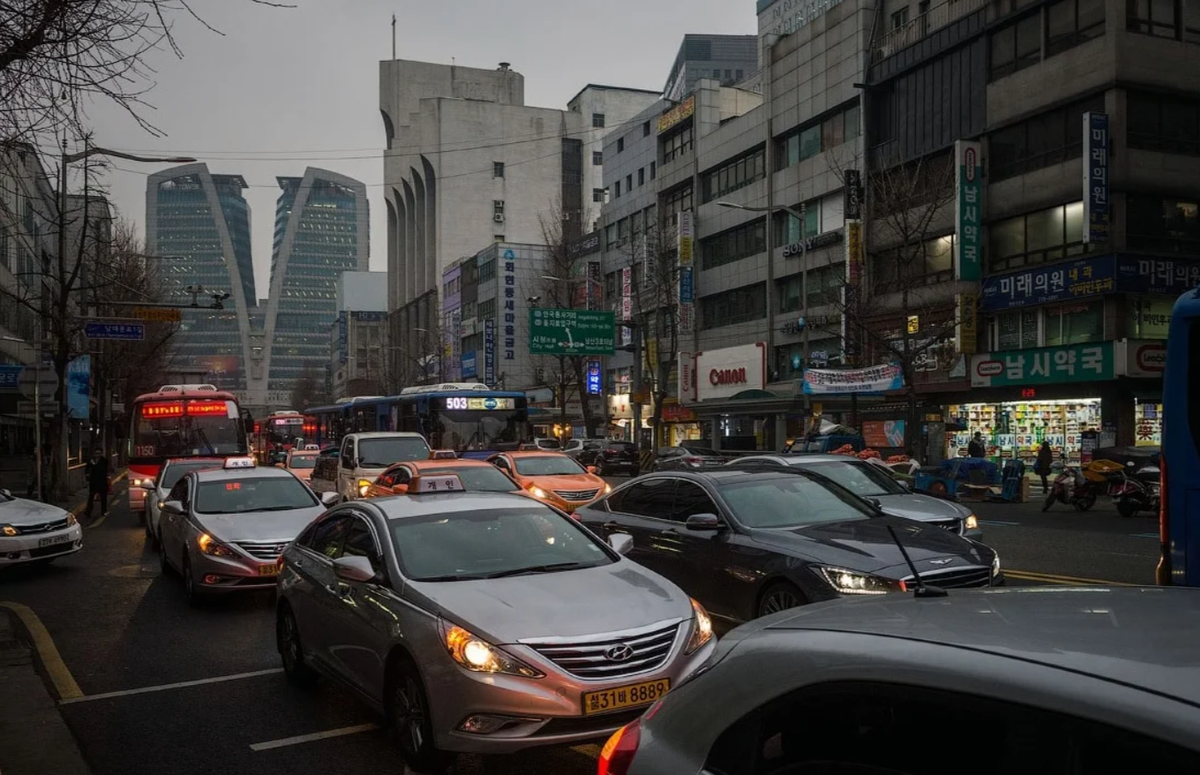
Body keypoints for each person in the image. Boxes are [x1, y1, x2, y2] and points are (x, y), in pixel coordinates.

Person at [84, 448, 110, 519]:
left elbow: (102, 469)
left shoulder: (104, 460)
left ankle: (103, 511)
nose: (97, 455)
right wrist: (87, 474)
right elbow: (87, 468)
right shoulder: (91, 460)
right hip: (93, 482)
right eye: (96, 453)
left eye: (99, 453)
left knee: (103, 498)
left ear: (101, 454)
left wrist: (94, 464)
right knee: (91, 497)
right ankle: (88, 511)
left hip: (102, 481)